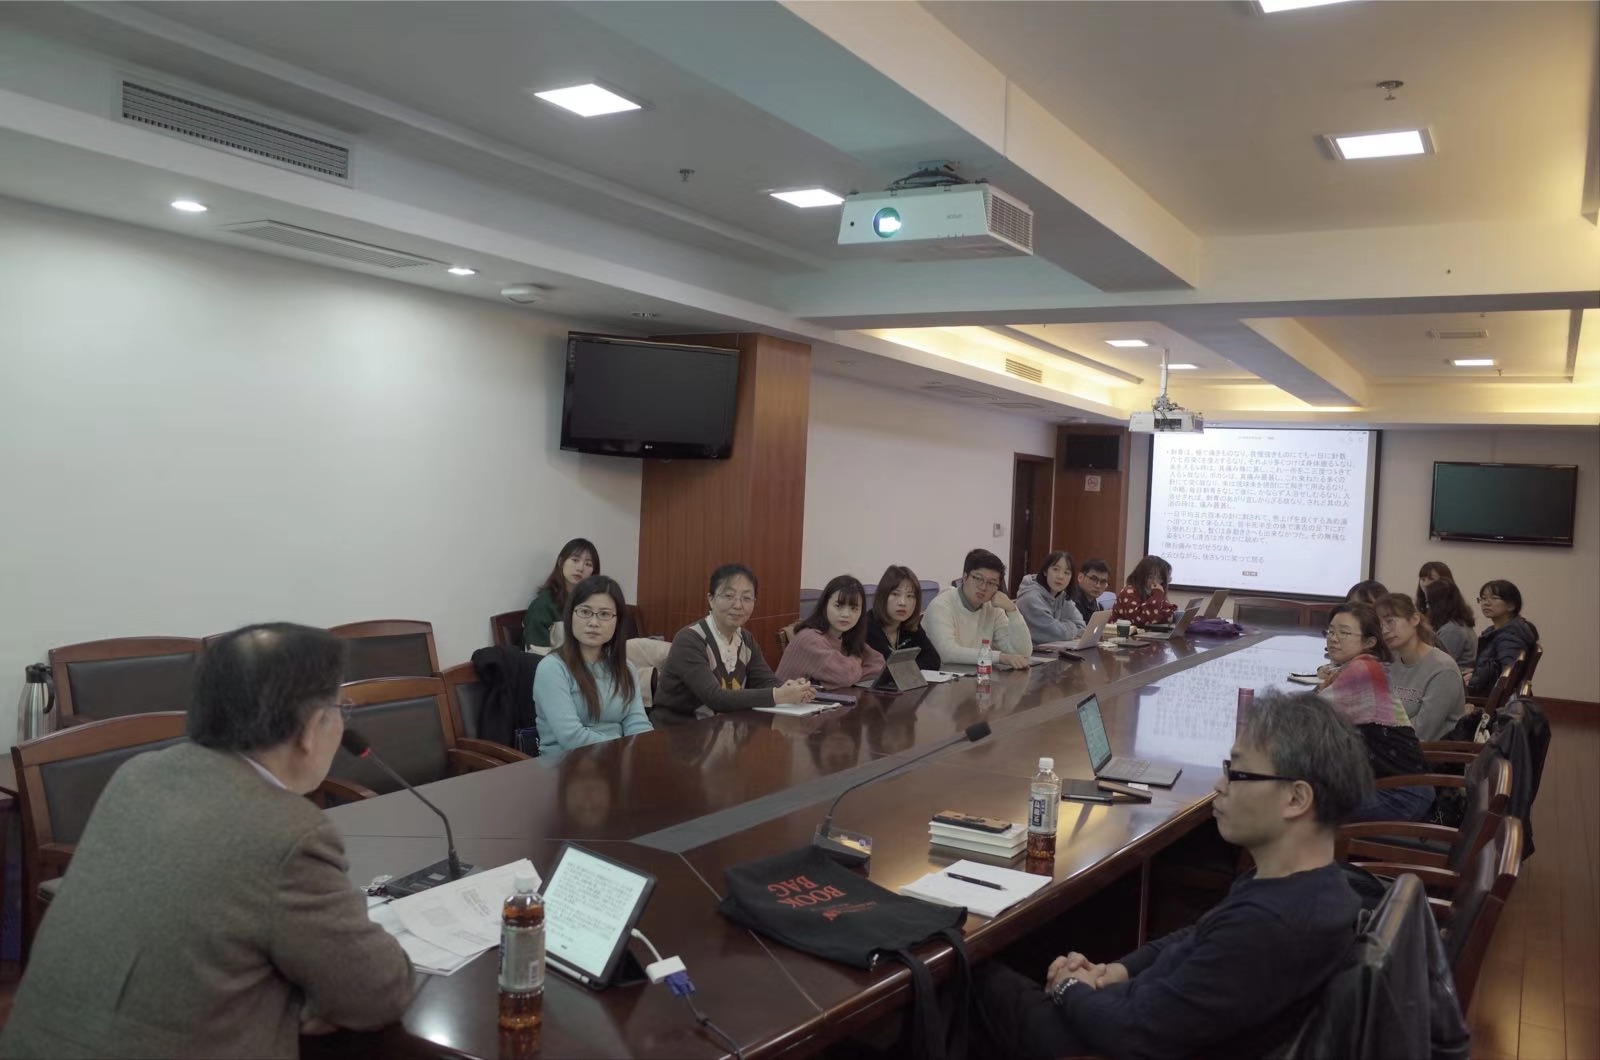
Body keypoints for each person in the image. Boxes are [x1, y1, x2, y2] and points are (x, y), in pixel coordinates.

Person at [0, 624, 413, 1059]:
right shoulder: (288, 832)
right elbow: (378, 992)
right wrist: (299, 1002)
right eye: (340, 708)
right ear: (311, 729)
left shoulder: (139, 775)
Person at [974, 690, 1372, 1059]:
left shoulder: (1269, 927)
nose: (1220, 785)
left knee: (965, 975)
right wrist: (1114, 972)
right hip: (1132, 1006)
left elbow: (1131, 1032)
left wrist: (1068, 988)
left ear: (1296, 798)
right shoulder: (1311, 883)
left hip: (1106, 1040)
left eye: (1237, 773)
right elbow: (1197, 935)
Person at [1317, 603, 1433, 822]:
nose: (1333, 639)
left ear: (1369, 642)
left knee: (1300, 806)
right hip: (1389, 786)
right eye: (1330, 631)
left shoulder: (1363, 670)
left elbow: (1305, 716)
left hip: (1399, 796)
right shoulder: (1363, 666)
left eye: (1344, 633)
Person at [654, 564, 816, 719]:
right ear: (711, 599)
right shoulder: (689, 640)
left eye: (746, 598)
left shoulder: (745, 639)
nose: (738, 605)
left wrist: (794, 689)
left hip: (723, 729)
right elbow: (715, 698)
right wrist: (778, 695)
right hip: (678, 731)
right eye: (729, 596)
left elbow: (766, 681)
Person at [533, 575, 652, 758]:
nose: (594, 623)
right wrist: (622, 753)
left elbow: (637, 723)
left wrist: (646, 751)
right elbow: (571, 737)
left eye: (604, 614)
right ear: (570, 615)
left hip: (616, 761)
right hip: (565, 764)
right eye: (585, 612)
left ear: (618, 621)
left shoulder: (626, 668)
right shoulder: (552, 668)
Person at [1375, 593, 1467, 742]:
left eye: (1390, 621)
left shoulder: (1443, 668)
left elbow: (1423, 732)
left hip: (1428, 751)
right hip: (1393, 743)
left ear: (1414, 619)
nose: (1384, 630)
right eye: (1379, 626)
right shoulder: (1391, 661)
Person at [922, 549, 1033, 668]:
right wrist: (1000, 657)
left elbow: (1023, 653)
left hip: (976, 675)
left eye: (991, 583)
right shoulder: (941, 605)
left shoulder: (993, 608)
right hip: (941, 676)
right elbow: (947, 653)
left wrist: (1012, 610)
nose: (983, 587)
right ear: (965, 577)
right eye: (978, 579)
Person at [776, 574, 886, 688]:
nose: (846, 614)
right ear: (825, 605)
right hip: (788, 699)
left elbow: (879, 664)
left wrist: (846, 677)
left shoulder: (846, 636)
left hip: (820, 698)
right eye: (838, 606)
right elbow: (846, 676)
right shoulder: (810, 639)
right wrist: (857, 660)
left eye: (854, 608)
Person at [523, 537, 600, 649]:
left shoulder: (593, 604)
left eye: (588, 564)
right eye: (575, 560)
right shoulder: (543, 604)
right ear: (561, 562)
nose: (580, 568)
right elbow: (536, 654)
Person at [1468, 580, 1539, 695]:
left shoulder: (1511, 635)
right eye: (1483, 598)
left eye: (1494, 598)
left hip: (1490, 699)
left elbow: (1506, 678)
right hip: (1485, 693)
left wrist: (1473, 682)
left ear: (1511, 605)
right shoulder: (1496, 631)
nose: (1486, 603)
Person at [864, 565, 941, 670]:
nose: (903, 602)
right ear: (882, 596)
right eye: (895, 594)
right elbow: (885, 668)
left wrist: (904, 666)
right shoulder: (867, 626)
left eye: (910, 596)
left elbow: (934, 660)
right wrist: (910, 665)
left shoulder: (911, 625)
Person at [1017, 550, 1087, 644]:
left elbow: (1081, 628)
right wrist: (1071, 627)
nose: (1060, 576)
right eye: (1055, 569)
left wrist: (1062, 628)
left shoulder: (1062, 596)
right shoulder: (1030, 598)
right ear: (1045, 571)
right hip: (1029, 651)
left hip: (1051, 651)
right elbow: (1052, 633)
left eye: (1066, 573)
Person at [1422, 577, 1477, 669]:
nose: (1427, 607)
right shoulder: (1458, 625)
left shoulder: (1452, 630)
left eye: (1428, 602)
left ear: (1437, 604)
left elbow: (1438, 663)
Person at [1110, 555, 1177, 626]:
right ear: (1141, 576)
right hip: (1120, 632)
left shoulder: (1152, 592)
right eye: (1150, 577)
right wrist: (1157, 596)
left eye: (1160, 578)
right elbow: (1140, 621)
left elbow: (1167, 616)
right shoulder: (1128, 592)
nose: (1155, 582)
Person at [1069, 558, 1112, 624]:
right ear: (1080, 577)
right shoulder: (1070, 602)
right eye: (1094, 579)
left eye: (1103, 581)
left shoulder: (1098, 607)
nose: (1098, 585)